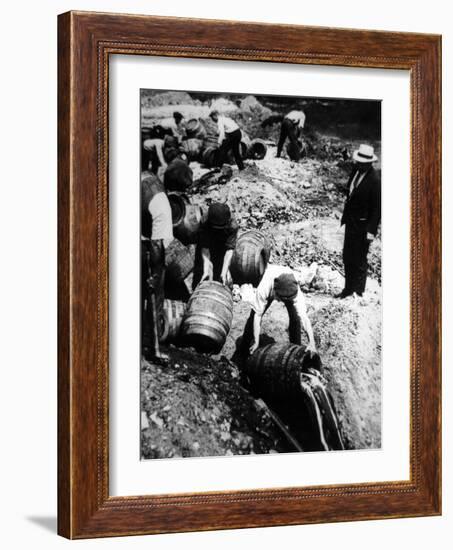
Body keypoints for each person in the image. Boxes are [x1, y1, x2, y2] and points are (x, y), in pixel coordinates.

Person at [240, 265, 317, 356]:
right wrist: (257, 341)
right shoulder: (264, 287)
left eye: (288, 299)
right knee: (253, 316)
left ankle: (296, 350)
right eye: (283, 299)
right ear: (276, 293)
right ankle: (243, 349)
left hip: (285, 284)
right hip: (271, 281)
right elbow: (258, 315)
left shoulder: (295, 291)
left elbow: (304, 318)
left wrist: (312, 342)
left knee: (295, 319)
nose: (284, 302)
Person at [338, 143, 381, 298]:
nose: (359, 165)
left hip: (363, 226)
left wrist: (371, 231)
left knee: (360, 259)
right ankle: (348, 289)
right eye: (358, 162)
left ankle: (358, 292)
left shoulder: (375, 180)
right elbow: (352, 190)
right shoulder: (356, 170)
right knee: (347, 256)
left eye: (363, 163)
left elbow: (377, 208)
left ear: (369, 163)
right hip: (351, 222)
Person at [141, 172, 173, 359]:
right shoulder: (161, 203)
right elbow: (156, 244)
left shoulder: (143, 179)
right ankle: (153, 346)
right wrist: (155, 274)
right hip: (144, 245)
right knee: (155, 290)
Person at [192, 203, 238, 289]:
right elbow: (205, 247)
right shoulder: (204, 221)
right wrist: (206, 269)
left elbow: (229, 250)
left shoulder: (232, 226)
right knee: (202, 271)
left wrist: (224, 272)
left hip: (223, 243)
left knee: (221, 273)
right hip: (210, 239)